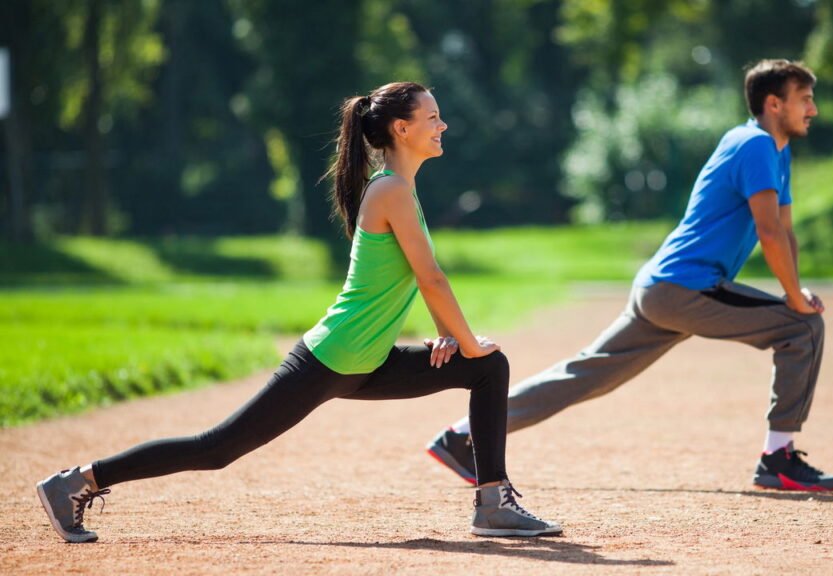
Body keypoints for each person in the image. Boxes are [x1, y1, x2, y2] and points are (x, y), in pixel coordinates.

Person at [36, 82, 561, 543]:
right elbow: (432, 279)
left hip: (367, 362)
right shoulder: (392, 190)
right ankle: (77, 481)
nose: (443, 125)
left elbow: (424, 280)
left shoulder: (403, 189)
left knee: (488, 369)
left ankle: (491, 502)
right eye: (432, 118)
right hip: (331, 359)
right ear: (402, 129)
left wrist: (453, 337)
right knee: (218, 448)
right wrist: (464, 340)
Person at [427, 60, 833, 493]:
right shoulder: (754, 144)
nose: (812, 109)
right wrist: (795, 300)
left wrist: (795, 289)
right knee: (803, 327)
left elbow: (786, 230)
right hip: (687, 287)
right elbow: (769, 232)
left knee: (584, 374)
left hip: (663, 287)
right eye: (805, 99)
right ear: (774, 104)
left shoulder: (775, 151)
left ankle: (462, 437)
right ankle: (778, 457)